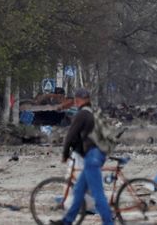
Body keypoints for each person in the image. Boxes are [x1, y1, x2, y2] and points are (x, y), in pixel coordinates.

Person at [60, 88, 113, 225]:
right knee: (78, 190)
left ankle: (109, 223)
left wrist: (65, 154)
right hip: (98, 154)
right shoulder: (93, 112)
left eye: (76, 99)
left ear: (78, 100)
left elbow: (70, 136)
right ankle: (67, 221)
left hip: (92, 156)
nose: (75, 102)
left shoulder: (82, 114)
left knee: (97, 194)